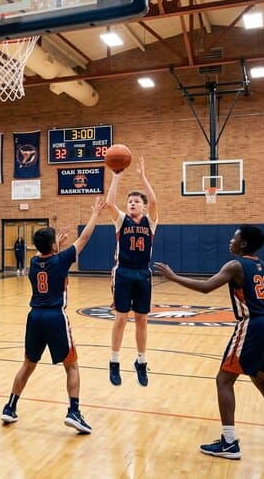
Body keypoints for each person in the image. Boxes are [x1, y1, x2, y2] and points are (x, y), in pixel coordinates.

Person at [154, 225, 264, 460]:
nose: (230, 241)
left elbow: (206, 288)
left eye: (234, 238)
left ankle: (229, 443)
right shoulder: (263, 265)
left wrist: (173, 277)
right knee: (259, 377)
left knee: (223, 380)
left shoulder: (235, 265)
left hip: (253, 324)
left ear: (243, 244)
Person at [1, 197, 105, 434]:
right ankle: (74, 412)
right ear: (53, 246)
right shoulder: (61, 260)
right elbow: (85, 237)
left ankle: (10, 406)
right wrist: (95, 215)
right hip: (56, 317)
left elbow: (45, 255)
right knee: (72, 366)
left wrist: (56, 244)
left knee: (28, 364)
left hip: (34, 317)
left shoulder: (33, 262)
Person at [106, 157, 158, 387]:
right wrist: (116, 177)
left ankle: (141, 361)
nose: (132, 204)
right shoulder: (121, 222)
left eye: (136, 201)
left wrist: (143, 177)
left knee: (142, 319)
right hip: (124, 272)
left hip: (142, 273)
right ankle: (114, 361)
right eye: (130, 202)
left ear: (144, 206)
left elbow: (155, 200)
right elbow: (109, 204)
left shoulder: (150, 222)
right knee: (120, 318)